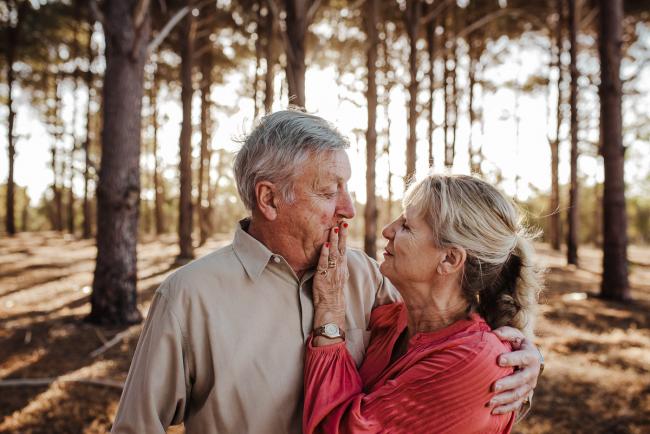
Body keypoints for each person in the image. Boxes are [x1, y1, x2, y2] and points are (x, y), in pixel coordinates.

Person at [111, 110, 543, 434]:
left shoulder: (371, 278)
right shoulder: (189, 296)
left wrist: (521, 357)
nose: (349, 208)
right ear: (269, 199)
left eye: (348, 187)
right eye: (327, 191)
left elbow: (452, 336)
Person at [303, 174, 542, 433]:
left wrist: (329, 312)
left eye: (406, 225)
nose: (387, 230)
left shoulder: (470, 359)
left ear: (449, 259)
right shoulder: (393, 318)